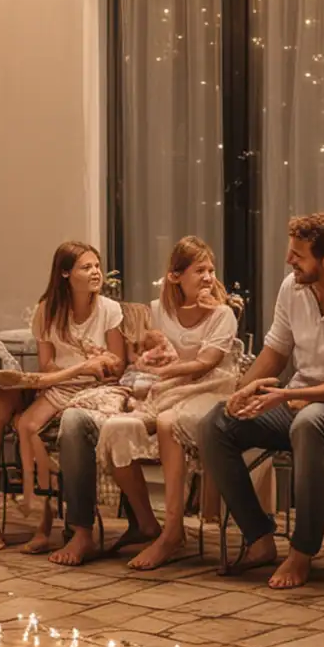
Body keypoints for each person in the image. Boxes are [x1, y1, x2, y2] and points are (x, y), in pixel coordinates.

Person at [198, 211, 324, 590]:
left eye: (299, 255)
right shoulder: (293, 288)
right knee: (216, 422)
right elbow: (275, 351)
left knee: (310, 422)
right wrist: (242, 392)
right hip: (297, 400)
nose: (290, 261)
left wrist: (290, 395)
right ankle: (259, 537)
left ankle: (302, 551)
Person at [0, 242, 128, 558]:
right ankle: (30, 517)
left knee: (39, 428)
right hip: (60, 385)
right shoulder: (48, 311)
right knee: (23, 422)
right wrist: (76, 368)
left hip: (96, 389)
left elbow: (120, 366)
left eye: (97, 265)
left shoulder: (110, 310)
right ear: (65, 274)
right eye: (86, 267)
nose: (96, 272)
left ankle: (47, 521)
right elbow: (47, 367)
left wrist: (104, 361)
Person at [90, 236, 241, 572]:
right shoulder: (157, 311)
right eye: (199, 270)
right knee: (114, 428)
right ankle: (148, 523)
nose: (207, 277)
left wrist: (164, 372)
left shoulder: (223, 315)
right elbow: (145, 354)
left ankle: (173, 532)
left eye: (211, 270)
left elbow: (206, 364)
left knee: (169, 422)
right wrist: (141, 362)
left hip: (209, 390)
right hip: (165, 390)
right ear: (175, 276)